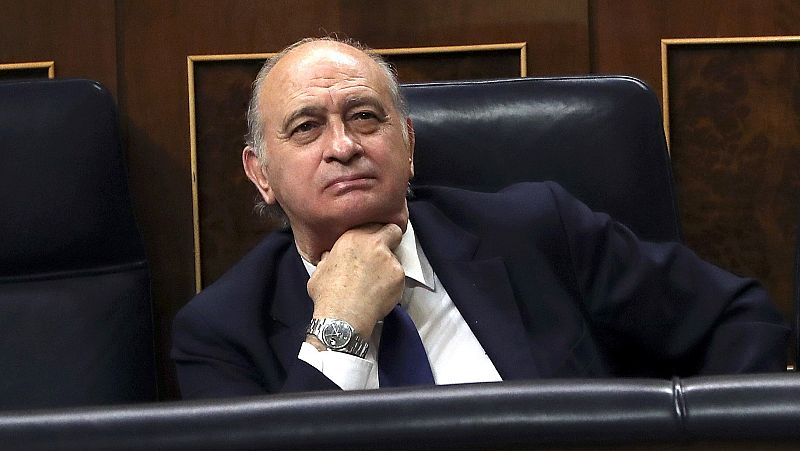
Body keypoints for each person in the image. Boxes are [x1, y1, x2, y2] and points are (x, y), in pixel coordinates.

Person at [171, 37, 789, 399]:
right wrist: (340, 328)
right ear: (261, 173)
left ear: (408, 144)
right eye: (307, 127)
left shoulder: (537, 230)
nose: (344, 146)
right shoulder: (221, 331)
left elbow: (737, 318)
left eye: (365, 117)